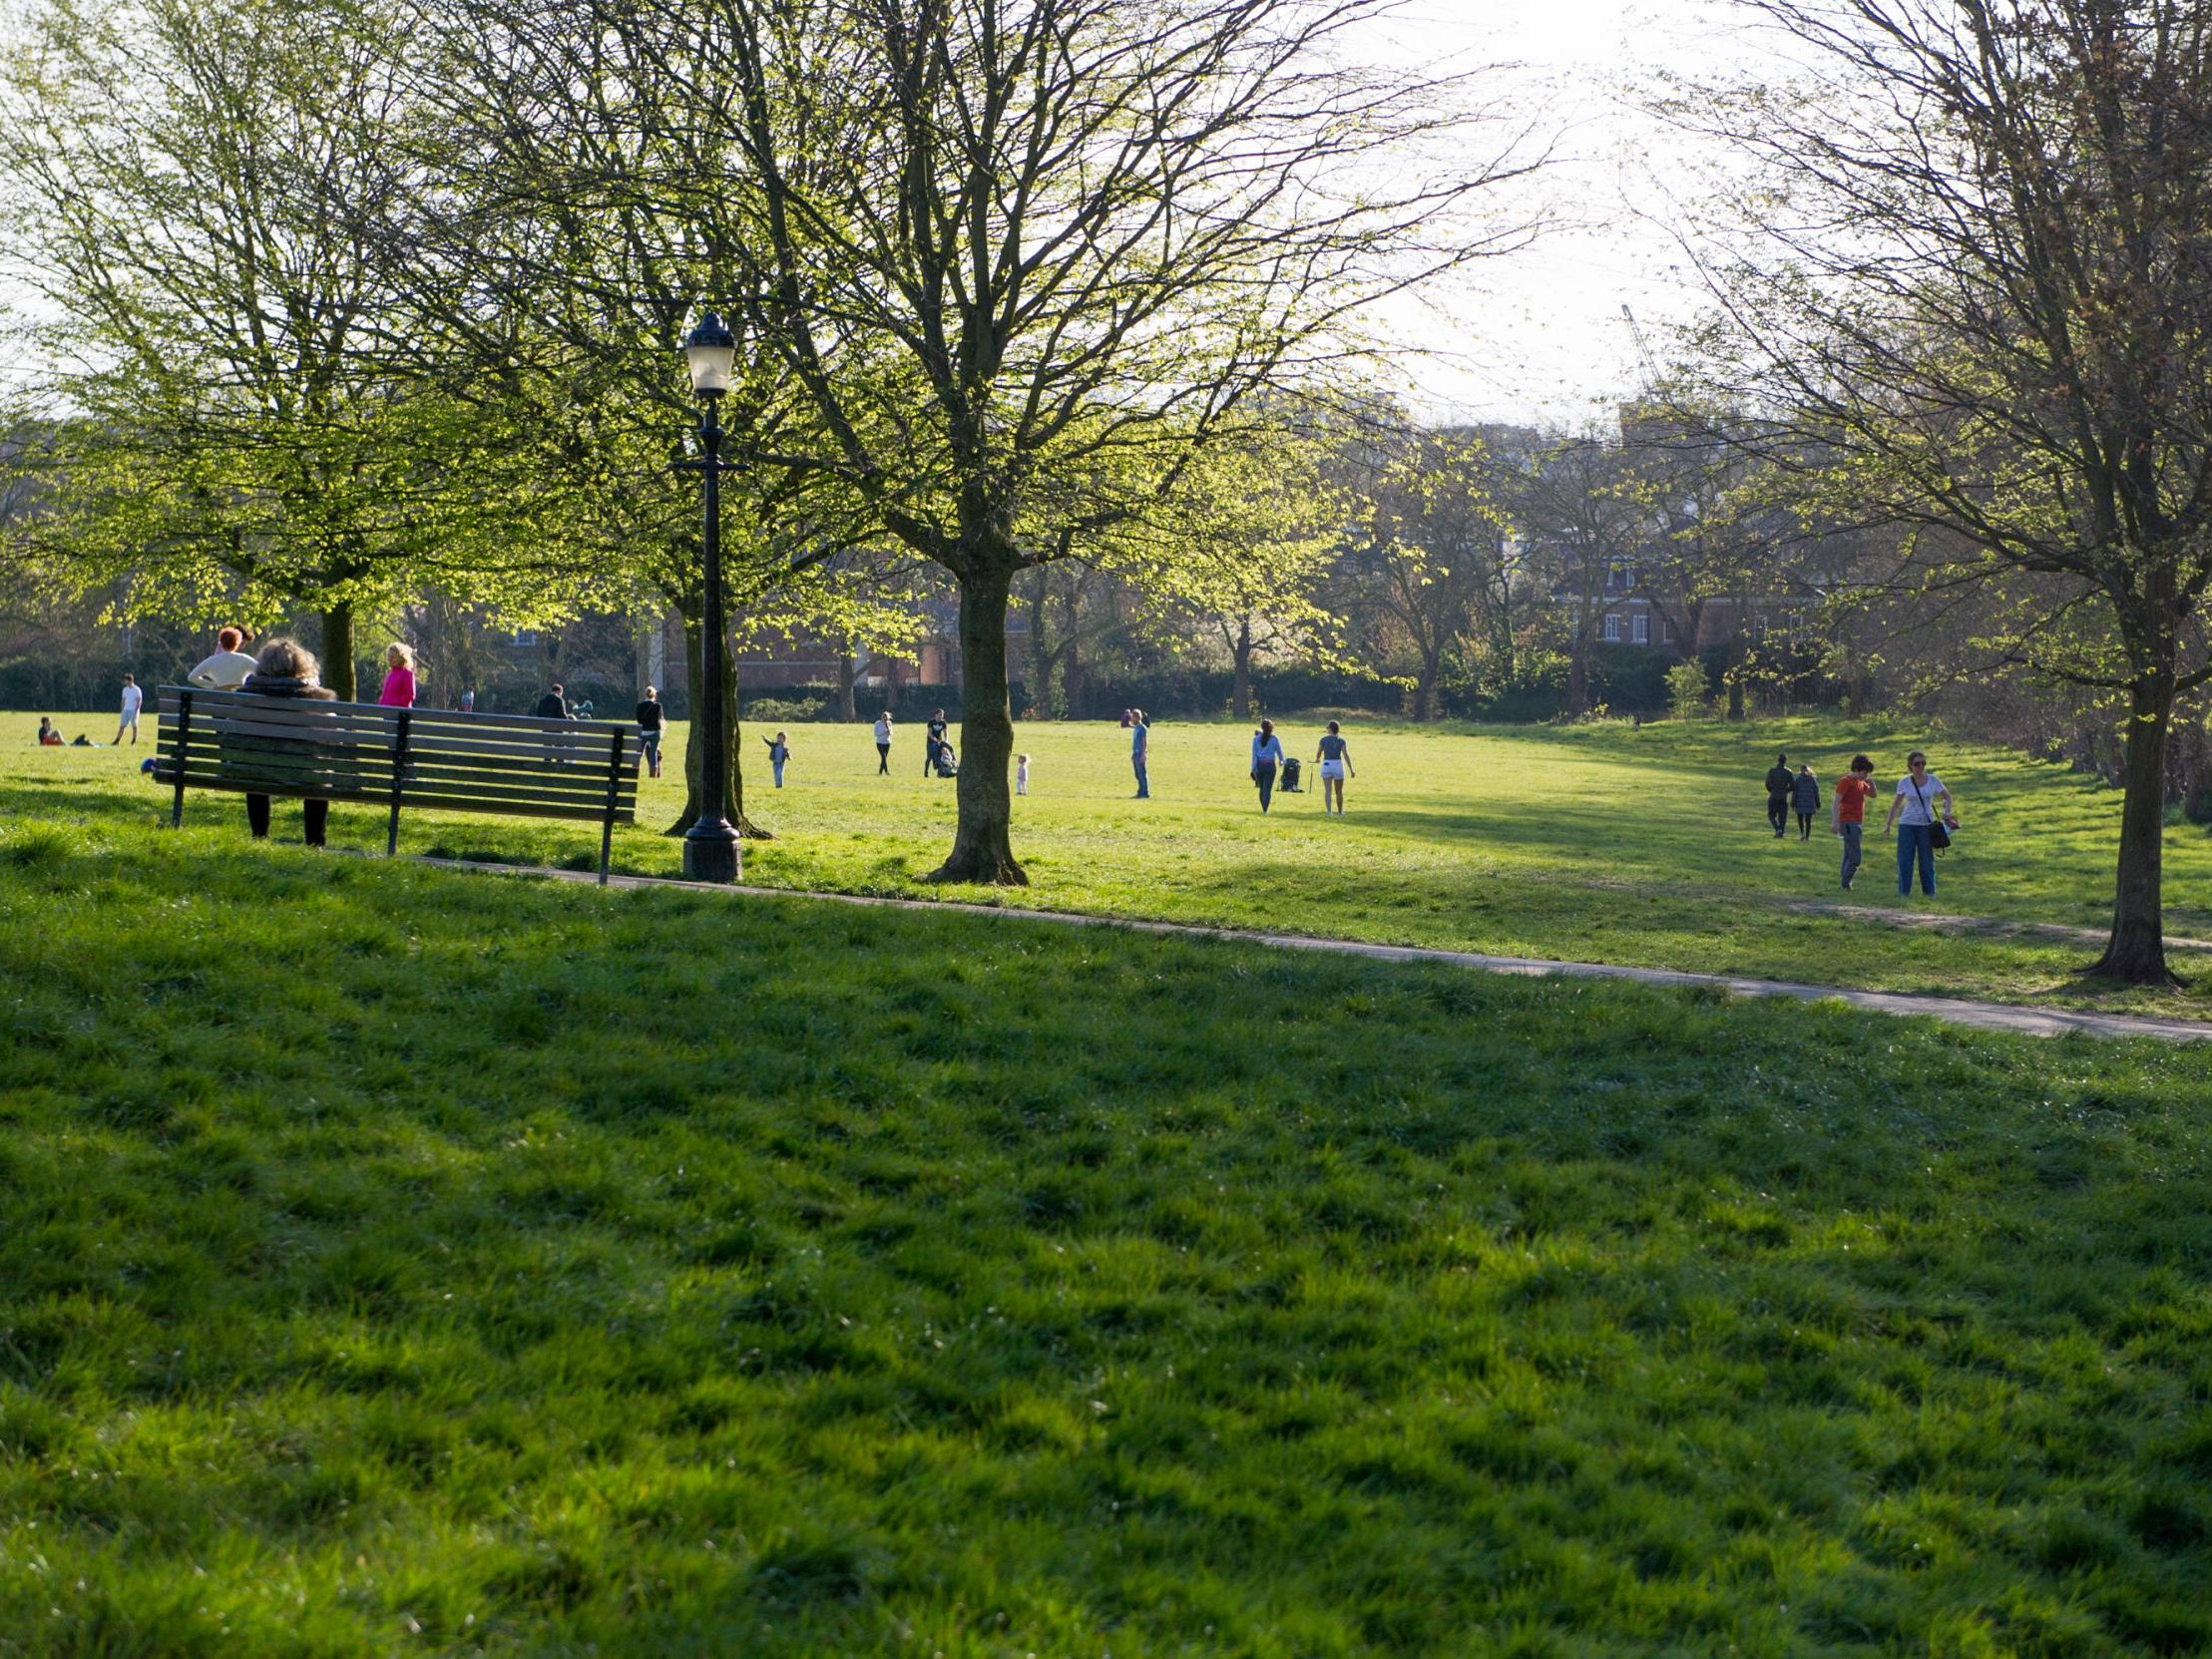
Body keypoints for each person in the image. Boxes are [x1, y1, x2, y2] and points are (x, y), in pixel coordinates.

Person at [239, 637, 337, 846]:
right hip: (304, 772)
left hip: (256, 770)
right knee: (318, 777)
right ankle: (315, 842)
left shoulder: (246, 694)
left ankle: (259, 837)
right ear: (301, 664)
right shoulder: (316, 698)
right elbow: (330, 733)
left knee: (256, 771)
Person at [1883, 749, 1958, 900]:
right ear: (1910, 766)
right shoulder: (1904, 782)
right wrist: (1888, 825)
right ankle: (1903, 893)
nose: (1921, 766)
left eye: (1923, 763)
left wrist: (1947, 812)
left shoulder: (1933, 779)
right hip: (1907, 825)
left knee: (1926, 861)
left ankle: (1930, 894)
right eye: (1917, 763)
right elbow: (1896, 805)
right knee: (1905, 860)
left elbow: (1948, 797)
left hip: (1926, 826)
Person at [1832, 754, 1876, 891]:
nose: (1866, 775)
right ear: (1857, 769)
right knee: (1855, 858)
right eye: (1865, 772)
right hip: (1848, 822)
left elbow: (1873, 794)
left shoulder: (1861, 783)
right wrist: (1835, 822)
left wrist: (1871, 781)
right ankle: (1845, 883)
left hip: (1857, 822)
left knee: (1848, 854)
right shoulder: (1846, 781)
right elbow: (1836, 802)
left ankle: (1844, 882)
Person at [188, 626, 257, 691]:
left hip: (219, 699)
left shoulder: (212, 660)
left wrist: (214, 686)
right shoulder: (245, 659)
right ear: (238, 642)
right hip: (240, 701)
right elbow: (262, 672)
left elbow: (192, 677)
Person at [1314, 721, 1354, 815]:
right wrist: (1351, 769)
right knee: (1339, 791)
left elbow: (1319, 752)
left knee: (1328, 790)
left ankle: (1329, 811)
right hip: (1338, 765)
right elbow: (1345, 755)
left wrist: (1317, 759)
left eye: (1328, 728)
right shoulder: (1341, 741)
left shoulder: (1323, 740)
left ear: (1330, 729)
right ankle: (1340, 811)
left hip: (1327, 764)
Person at [1250, 717, 1286, 813]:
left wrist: (1253, 768)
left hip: (1260, 766)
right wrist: (1282, 761)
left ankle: (1263, 808)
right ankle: (1265, 809)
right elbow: (1280, 754)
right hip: (1270, 766)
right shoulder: (1274, 739)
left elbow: (1254, 755)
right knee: (1267, 789)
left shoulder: (1255, 739)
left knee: (1262, 788)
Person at [635, 685, 665, 778]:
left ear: (645, 695)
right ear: (654, 695)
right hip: (654, 733)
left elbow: (639, 720)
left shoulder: (639, 706)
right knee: (653, 752)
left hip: (643, 733)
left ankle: (635, 772)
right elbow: (660, 719)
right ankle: (653, 774)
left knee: (639, 753)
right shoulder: (658, 706)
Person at [377, 642, 418, 708]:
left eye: (393, 657)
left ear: (401, 657)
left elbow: (410, 695)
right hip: (387, 712)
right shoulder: (390, 674)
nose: (390, 659)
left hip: (401, 714)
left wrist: (392, 704)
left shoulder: (407, 673)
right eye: (389, 656)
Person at [1763, 751, 1793, 837]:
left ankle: (1778, 829)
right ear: (1785, 761)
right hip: (1783, 796)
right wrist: (1786, 790)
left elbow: (1767, 783)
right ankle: (1780, 831)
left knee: (1771, 814)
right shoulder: (1788, 772)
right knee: (1782, 816)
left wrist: (1771, 790)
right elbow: (1793, 785)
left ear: (1778, 760)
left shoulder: (1772, 771)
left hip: (1774, 795)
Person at [1791, 763, 1821, 840]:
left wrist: (1792, 803)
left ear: (1800, 771)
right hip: (1809, 802)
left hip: (1799, 802)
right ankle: (1807, 836)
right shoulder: (1812, 780)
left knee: (1800, 819)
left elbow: (1795, 792)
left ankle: (1802, 834)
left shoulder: (1798, 780)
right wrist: (1818, 803)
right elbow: (1816, 792)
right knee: (1808, 821)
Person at [115, 673, 143, 745]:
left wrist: (136, 710)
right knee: (122, 726)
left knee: (134, 726)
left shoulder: (137, 689)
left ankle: (133, 741)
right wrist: (122, 710)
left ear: (130, 680)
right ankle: (117, 741)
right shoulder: (125, 689)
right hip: (126, 710)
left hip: (133, 710)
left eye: (125, 680)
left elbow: (139, 700)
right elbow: (123, 700)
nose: (124, 682)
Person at [1130, 708, 1150, 798]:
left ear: (1137, 718)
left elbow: (1144, 742)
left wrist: (1143, 754)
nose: (1131, 719)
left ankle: (1145, 793)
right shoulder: (1136, 728)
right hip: (1135, 753)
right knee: (1137, 774)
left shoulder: (1142, 728)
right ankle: (1140, 791)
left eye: (1132, 717)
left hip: (1140, 754)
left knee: (1142, 774)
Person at [924, 708, 948, 776]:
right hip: (930, 742)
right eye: (939, 715)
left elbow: (945, 733)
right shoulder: (931, 722)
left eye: (942, 715)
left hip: (939, 742)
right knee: (929, 757)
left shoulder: (943, 722)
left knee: (939, 757)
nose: (941, 716)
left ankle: (939, 773)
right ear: (935, 715)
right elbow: (929, 733)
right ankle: (926, 771)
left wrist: (946, 740)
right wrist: (935, 739)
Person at [872, 709, 893, 774]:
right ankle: (886, 771)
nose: (885, 719)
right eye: (884, 717)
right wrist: (883, 732)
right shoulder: (877, 723)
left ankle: (880, 771)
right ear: (882, 717)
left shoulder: (889, 723)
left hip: (887, 743)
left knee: (884, 758)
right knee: (883, 757)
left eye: (886, 718)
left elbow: (892, 732)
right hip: (880, 743)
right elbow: (876, 734)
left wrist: (889, 731)